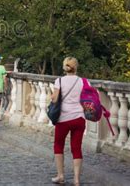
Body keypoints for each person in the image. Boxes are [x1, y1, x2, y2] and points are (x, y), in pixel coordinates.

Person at [50, 57, 85, 185]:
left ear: (65, 67)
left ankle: (61, 175)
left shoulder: (59, 81)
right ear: (76, 67)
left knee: (58, 145)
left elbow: (54, 100)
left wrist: (51, 95)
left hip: (63, 118)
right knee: (76, 147)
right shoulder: (83, 81)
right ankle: (76, 179)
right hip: (79, 118)